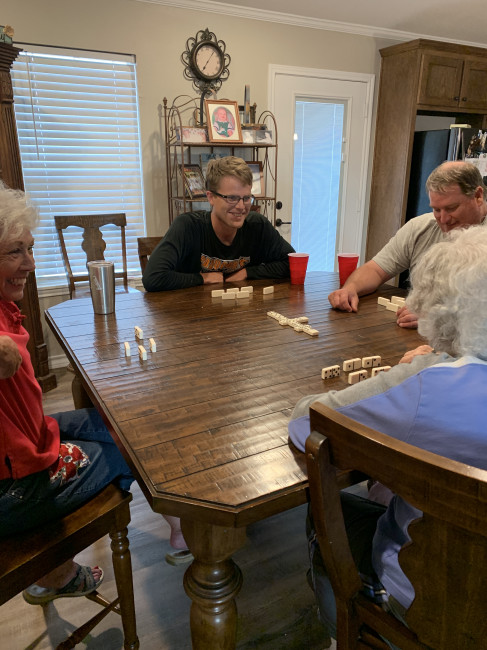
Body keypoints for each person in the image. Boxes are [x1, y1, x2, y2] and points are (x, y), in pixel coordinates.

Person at [289, 224, 487, 642]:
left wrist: (415, 369)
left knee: (325, 509)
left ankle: (346, 631)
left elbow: (309, 423)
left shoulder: (428, 384)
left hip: (427, 600)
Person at [0, 183, 136, 603]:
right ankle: (54, 569)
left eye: (30, 248)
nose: (30, 263)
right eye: (14, 252)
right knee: (135, 454)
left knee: (121, 424)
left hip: (31, 438)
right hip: (13, 487)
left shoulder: (6, 305)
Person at [328, 161, 487, 329]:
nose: (444, 219)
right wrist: (350, 288)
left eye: (452, 208)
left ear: (477, 196)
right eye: (437, 210)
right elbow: (375, 270)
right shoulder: (420, 228)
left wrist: (438, 317)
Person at [143, 156, 294, 292]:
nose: (241, 206)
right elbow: (153, 278)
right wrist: (203, 278)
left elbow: (291, 263)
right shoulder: (187, 226)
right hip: (191, 314)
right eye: (232, 198)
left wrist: (248, 272)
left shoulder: (257, 225)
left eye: (246, 198)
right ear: (211, 197)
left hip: (244, 315)